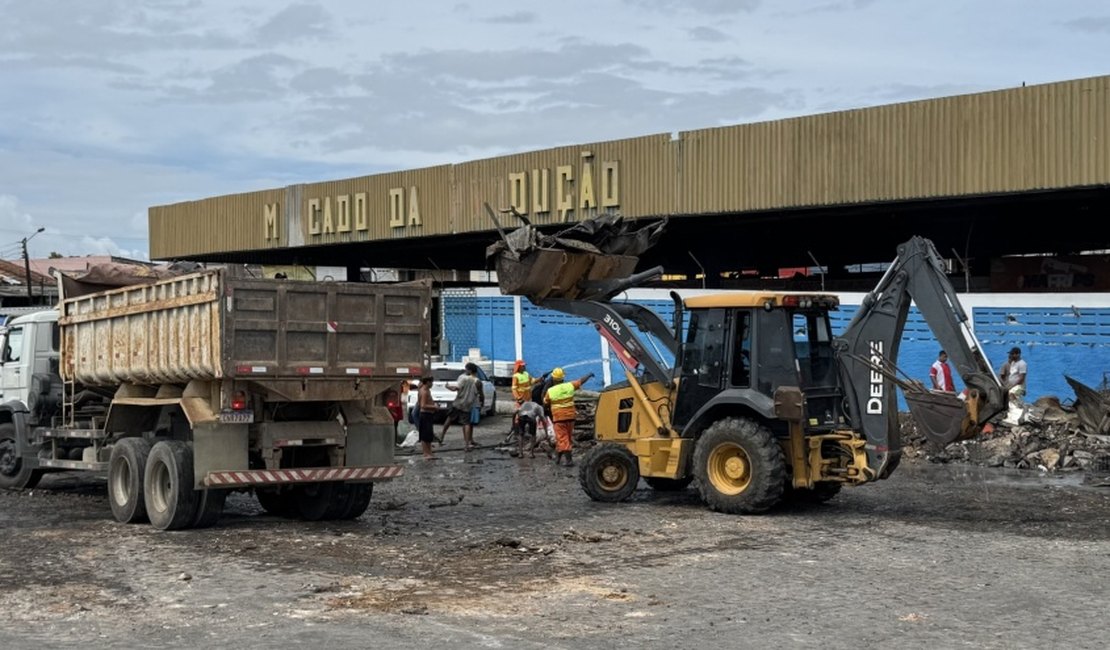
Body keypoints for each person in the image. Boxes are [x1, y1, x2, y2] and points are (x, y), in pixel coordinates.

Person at [543, 367, 594, 467]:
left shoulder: (550, 391)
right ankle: (557, 458)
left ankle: (569, 460)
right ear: (562, 379)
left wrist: (548, 410)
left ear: (553, 379)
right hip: (571, 417)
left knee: (563, 438)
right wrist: (589, 374)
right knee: (566, 438)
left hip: (559, 419)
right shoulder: (569, 385)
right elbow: (580, 381)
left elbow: (545, 403)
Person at [439, 362, 484, 451]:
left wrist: (447, 387)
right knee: (466, 423)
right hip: (468, 404)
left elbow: (455, 388)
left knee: (449, 419)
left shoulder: (462, 378)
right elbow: (481, 394)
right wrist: (482, 402)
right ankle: (467, 445)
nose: (465, 370)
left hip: (458, 402)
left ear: (469, 370)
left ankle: (441, 437)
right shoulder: (478, 381)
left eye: (466, 369)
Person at [416, 376, 438, 460]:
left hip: (427, 414)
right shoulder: (424, 391)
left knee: (428, 434)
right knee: (425, 435)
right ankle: (426, 453)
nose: (432, 384)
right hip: (425, 414)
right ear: (428, 382)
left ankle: (429, 452)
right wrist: (434, 406)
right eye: (431, 382)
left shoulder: (424, 390)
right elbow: (423, 405)